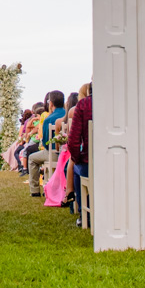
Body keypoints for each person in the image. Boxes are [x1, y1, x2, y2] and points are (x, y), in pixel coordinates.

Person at [27, 90, 66, 197]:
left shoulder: (49, 119)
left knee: (31, 158)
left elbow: (45, 141)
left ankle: (34, 190)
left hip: (53, 153)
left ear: (51, 104)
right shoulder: (68, 115)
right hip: (68, 154)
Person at [66, 85, 92, 223]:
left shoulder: (84, 105)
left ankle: (85, 215)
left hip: (90, 163)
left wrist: (77, 158)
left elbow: (73, 141)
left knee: (76, 169)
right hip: (117, 161)